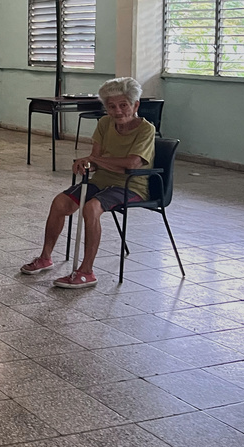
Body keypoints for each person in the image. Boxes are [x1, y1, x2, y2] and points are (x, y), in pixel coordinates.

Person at [20, 77, 156, 289]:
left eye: (123, 105)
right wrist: (86, 164)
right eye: (111, 106)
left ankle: (87, 271)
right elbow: (95, 158)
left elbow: (131, 165)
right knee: (59, 203)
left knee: (91, 208)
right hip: (101, 180)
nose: (117, 111)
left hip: (131, 186)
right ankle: (45, 257)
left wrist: (95, 161)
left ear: (135, 105)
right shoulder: (104, 123)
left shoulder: (146, 130)